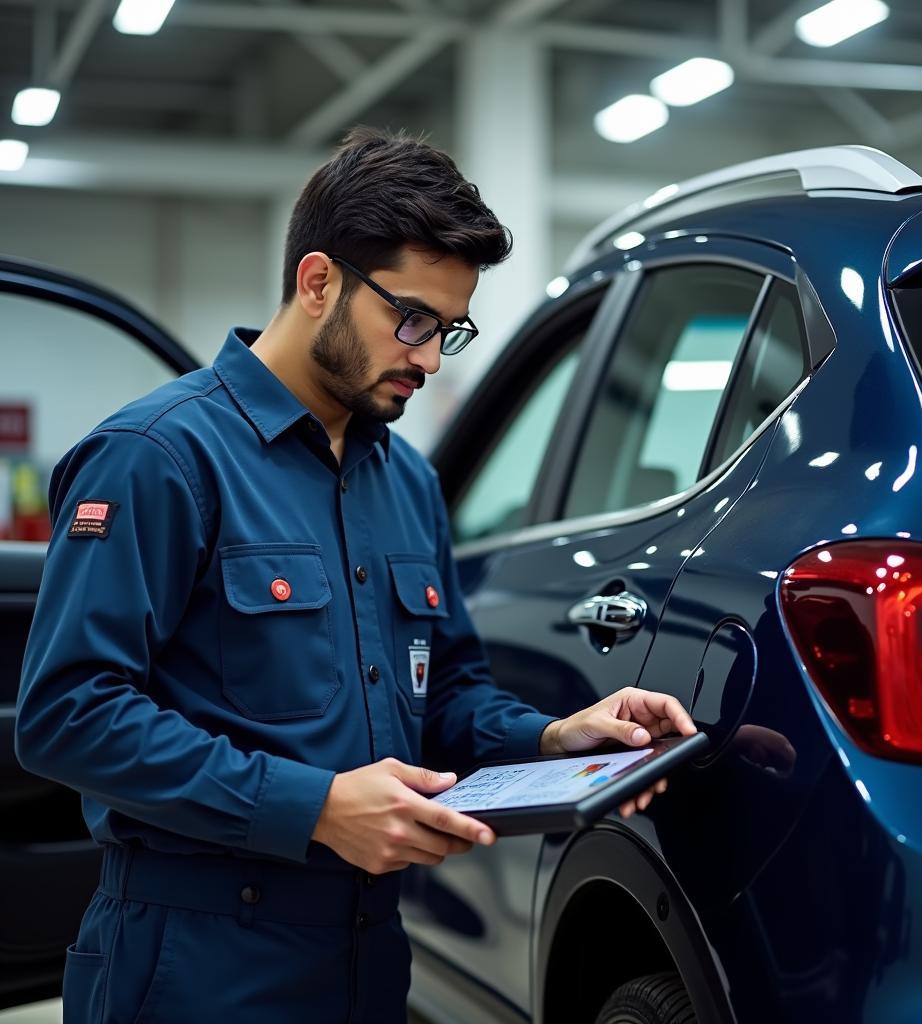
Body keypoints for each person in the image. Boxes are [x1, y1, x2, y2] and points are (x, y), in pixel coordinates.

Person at [16, 126, 696, 1023]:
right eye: (411, 319)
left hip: (369, 959)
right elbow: (69, 714)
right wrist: (313, 806)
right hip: (198, 961)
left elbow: (446, 695)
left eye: (448, 330)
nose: (428, 358)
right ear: (318, 281)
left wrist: (553, 741)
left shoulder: (405, 480)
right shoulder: (157, 458)